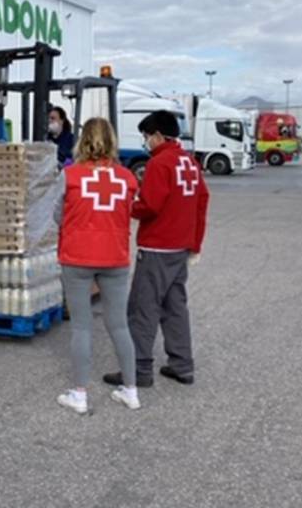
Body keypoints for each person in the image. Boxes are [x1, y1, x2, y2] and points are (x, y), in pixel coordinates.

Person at [104, 110, 209, 388]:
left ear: (159, 135)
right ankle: (182, 365)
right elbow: (202, 201)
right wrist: (195, 244)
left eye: (147, 136)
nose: (146, 141)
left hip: (157, 247)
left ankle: (139, 369)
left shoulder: (159, 164)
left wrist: (127, 205)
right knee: (175, 307)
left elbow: (149, 204)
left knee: (143, 308)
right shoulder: (189, 162)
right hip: (180, 247)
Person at [54, 117, 141, 415]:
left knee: (81, 327)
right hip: (115, 257)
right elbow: (129, 211)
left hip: (77, 257)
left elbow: (57, 215)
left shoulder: (70, 176)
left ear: (83, 140)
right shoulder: (128, 178)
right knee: (119, 325)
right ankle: (131, 390)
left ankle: (79, 394)